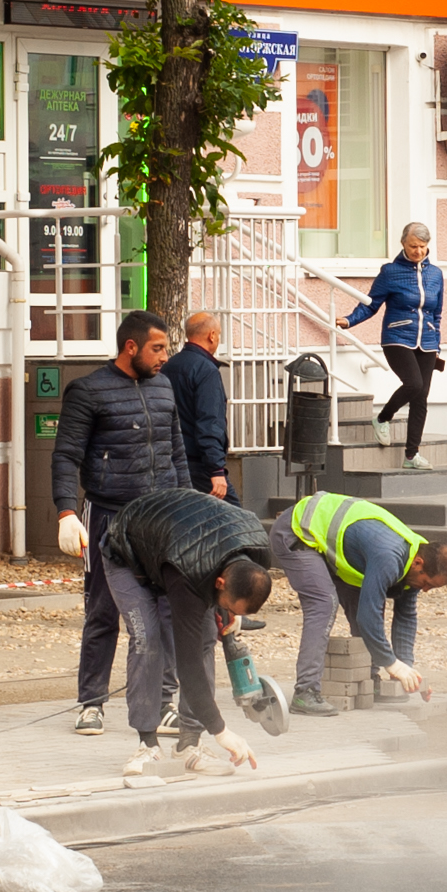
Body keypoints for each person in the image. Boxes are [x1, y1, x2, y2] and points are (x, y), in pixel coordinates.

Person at [51, 308, 191, 737]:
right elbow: (66, 455)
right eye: (157, 348)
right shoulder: (88, 391)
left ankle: (164, 702)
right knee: (103, 610)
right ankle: (91, 703)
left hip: (161, 517)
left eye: (166, 347)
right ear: (130, 347)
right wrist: (66, 512)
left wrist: (190, 508)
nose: (165, 356)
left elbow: (177, 454)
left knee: (166, 610)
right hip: (108, 516)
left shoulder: (165, 388)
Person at [96, 487, 274, 778]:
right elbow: (187, 666)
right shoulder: (190, 575)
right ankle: (147, 744)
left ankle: (189, 744)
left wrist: (229, 614)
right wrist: (222, 730)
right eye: (230, 605)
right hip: (127, 549)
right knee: (148, 638)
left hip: (177, 543)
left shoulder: (257, 556)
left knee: (206, 637)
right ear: (219, 583)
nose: (230, 612)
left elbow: (228, 598)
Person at [268, 490, 447, 716]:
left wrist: (405, 671)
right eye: (427, 583)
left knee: (368, 604)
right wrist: (391, 663)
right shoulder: (389, 557)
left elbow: (406, 616)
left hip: (333, 547)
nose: (426, 590)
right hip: (298, 532)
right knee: (324, 603)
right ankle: (305, 692)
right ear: (419, 563)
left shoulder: (416, 559)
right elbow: (367, 617)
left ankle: (367, 680)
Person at [342, 222, 445, 471]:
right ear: (403, 244)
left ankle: (411, 456)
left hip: (427, 342)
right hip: (397, 337)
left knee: (421, 399)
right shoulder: (390, 272)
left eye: (422, 246)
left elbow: (437, 313)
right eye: (413, 246)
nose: (418, 251)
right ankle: (382, 418)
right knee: (414, 384)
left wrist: (437, 345)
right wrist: (349, 320)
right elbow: (371, 304)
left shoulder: (436, 274)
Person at [164, 310, 234, 503]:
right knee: (236, 520)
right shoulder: (206, 371)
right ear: (212, 335)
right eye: (218, 334)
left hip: (173, 462)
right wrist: (216, 470)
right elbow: (209, 423)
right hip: (201, 464)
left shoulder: (169, 366)